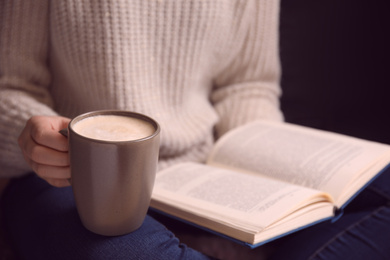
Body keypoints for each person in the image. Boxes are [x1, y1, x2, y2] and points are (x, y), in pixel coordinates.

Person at [0, 1, 389, 259]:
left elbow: (246, 84)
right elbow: (10, 86)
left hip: (201, 170)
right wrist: (31, 134)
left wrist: (263, 167)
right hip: (70, 175)